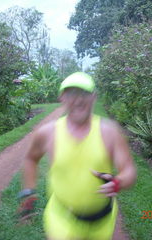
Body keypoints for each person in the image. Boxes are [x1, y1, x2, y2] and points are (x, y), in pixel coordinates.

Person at [18, 72, 137, 240]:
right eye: (72, 93)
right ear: (62, 97)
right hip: (62, 220)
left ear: (94, 97)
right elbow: (31, 159)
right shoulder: (47, 133)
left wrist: (119, 182)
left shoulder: (110, 132)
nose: (79, 100)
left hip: (102, 221)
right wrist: (28, 192)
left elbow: (129, 169)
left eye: (84, 93)